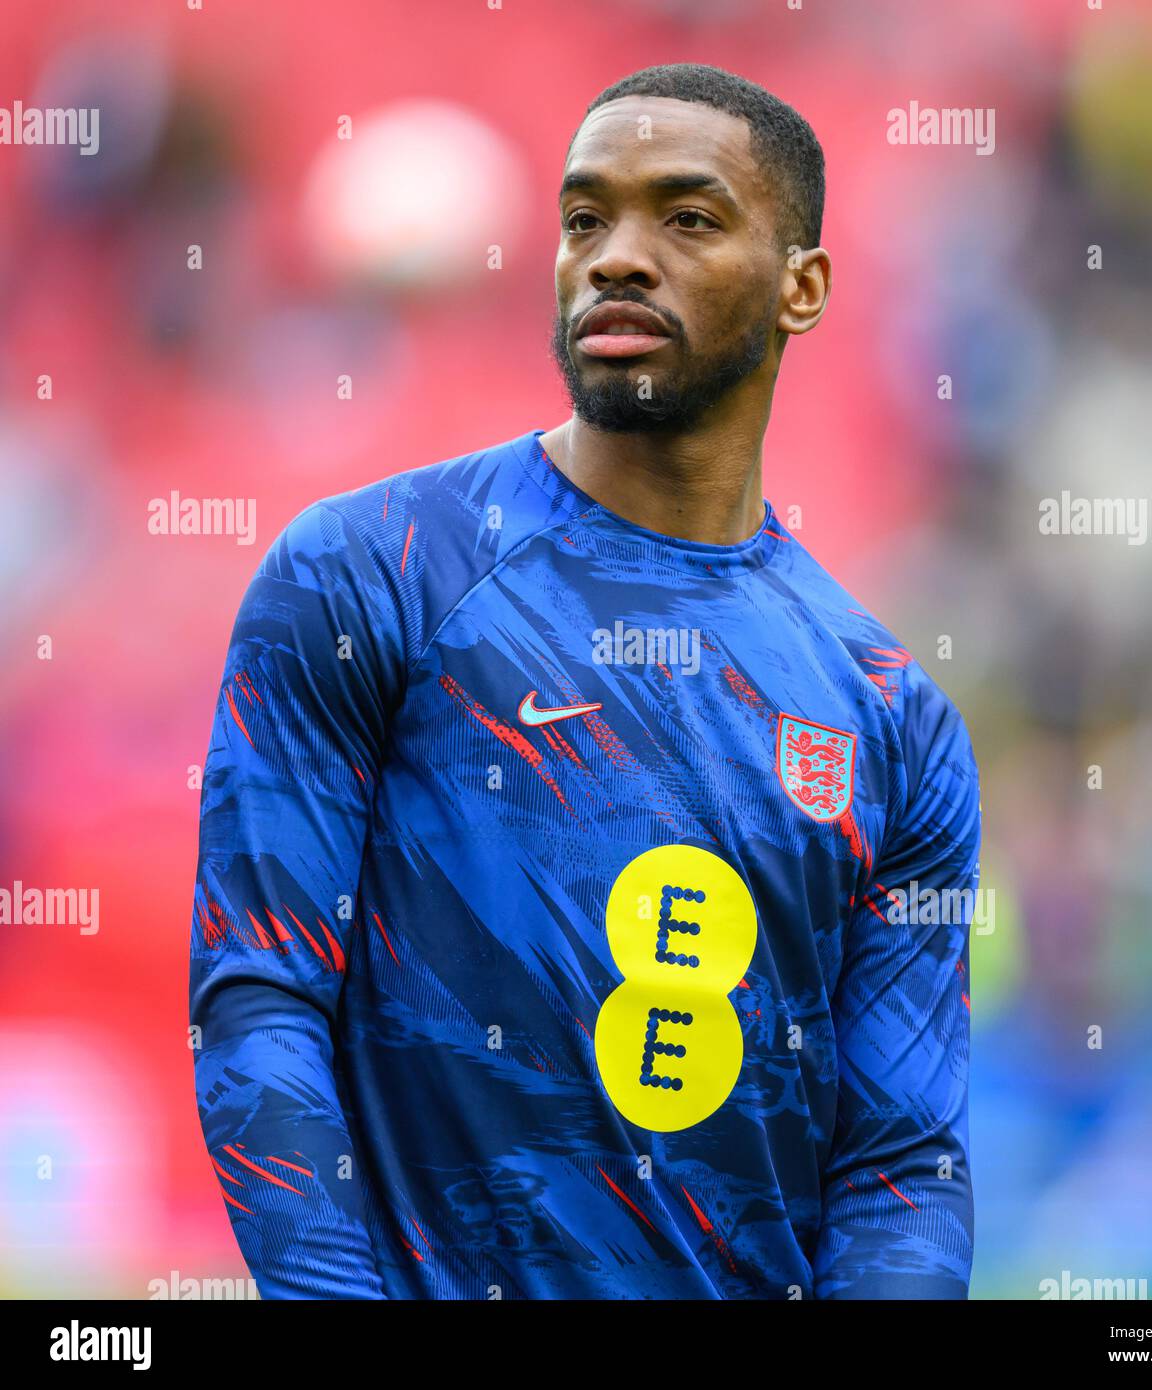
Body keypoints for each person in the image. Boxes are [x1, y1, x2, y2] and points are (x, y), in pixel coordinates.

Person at [190, 62, 980, 1299]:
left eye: (689, 217)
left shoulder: (890, 716)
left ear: (803, 286)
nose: (616, 255)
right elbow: (259, 1004)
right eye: (582, 218)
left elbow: (901, 1162)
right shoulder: (369, 575)